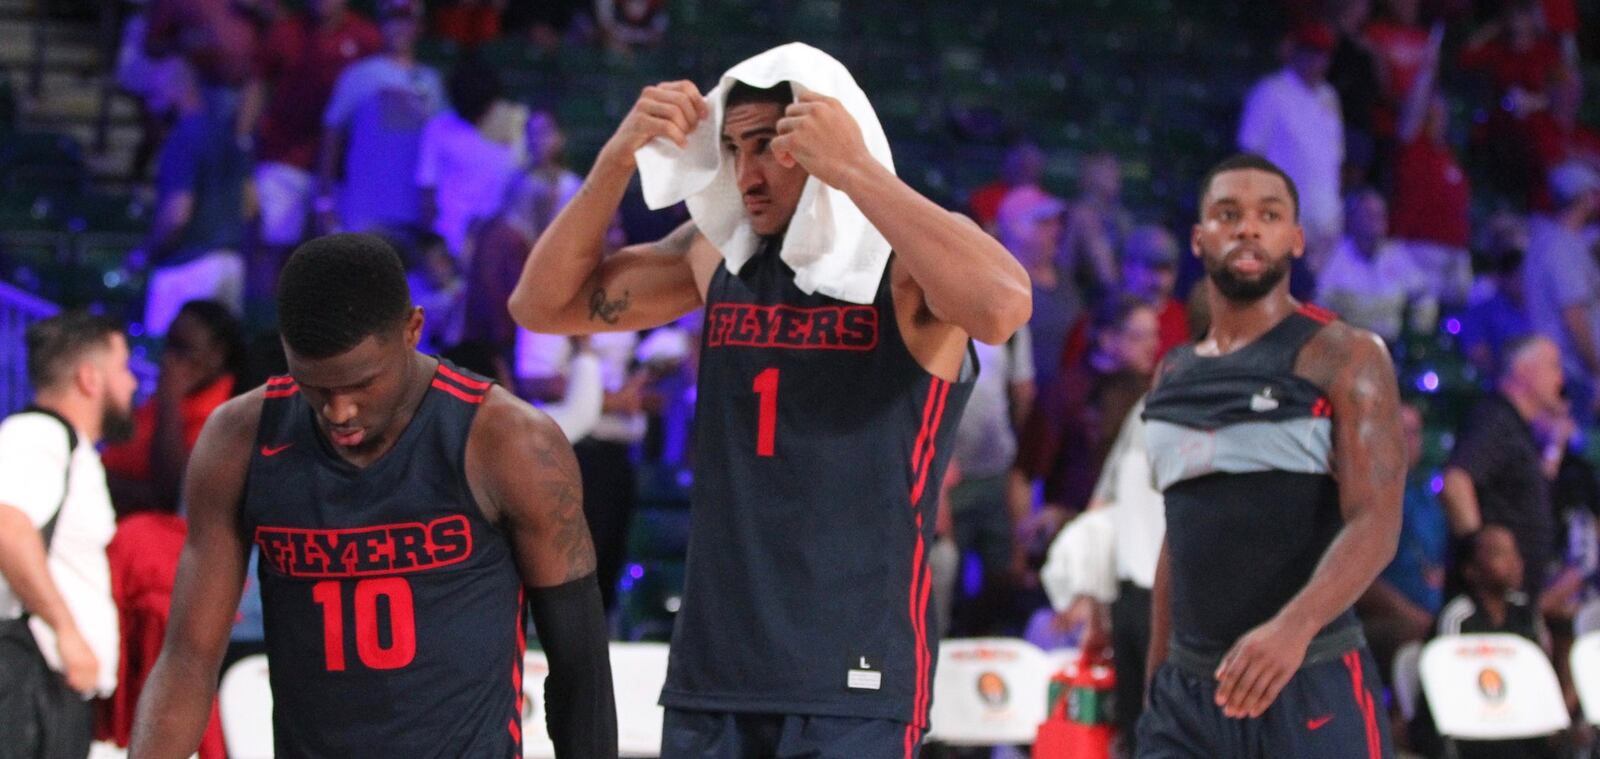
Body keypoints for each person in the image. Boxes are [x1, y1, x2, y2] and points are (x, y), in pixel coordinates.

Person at [508, 71, 1031, 755]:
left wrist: (855, 168)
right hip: (714, 669)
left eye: (769, 147)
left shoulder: (906, 268)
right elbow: (540, 305)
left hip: (854, 676)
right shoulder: (715, 254)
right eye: (732, 150)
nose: (747, 174)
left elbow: (1002, 306)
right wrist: (615, 161)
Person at [128, 234, 617, 758]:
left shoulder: (509, 443)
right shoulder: (238, 440)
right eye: (315, 385)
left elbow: (579, 669)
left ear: (413, 330)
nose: (339, 411)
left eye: (362, 383)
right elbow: (187, 661)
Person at [1137, 154, 1403, 757]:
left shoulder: (1347, 356)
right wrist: (1158, 682)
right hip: (1189, 695)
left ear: (1297, 239)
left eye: (1269, 215)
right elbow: (1178, 537)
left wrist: (1294, 628)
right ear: (1199, 238)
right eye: (1227, 214)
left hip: (1307, 674)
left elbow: (1377, 522)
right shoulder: (1171, 374)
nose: (1248, 228)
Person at [0, 312, 138, 759]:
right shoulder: (36, 434)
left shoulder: (63, 445)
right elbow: (7, 526)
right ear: (89, 378)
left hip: (43, 685)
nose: (133, 384)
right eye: (123, 369)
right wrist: (66, 632)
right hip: (25, 680)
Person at [242, 0, 381, 252]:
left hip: (340, 166)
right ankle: (267, 293)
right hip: (283, 156)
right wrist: (242, 144)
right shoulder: (285, 31)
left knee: (332, 255)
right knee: (273, 246)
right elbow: (257, 86)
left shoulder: (366, 37)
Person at [1441, 336, 1569, 598]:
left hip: (1516, 601)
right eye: (1554, 366)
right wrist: (1481, 559)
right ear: (1523, 370)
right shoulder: (1495, 419)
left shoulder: (1517, 428)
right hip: (1487, 605)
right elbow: (1455, 484)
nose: (1561, 380)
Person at [318, 0, 446, 235]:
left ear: (419, 26)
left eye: (406, 20)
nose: (398, 27)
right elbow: (331, 134)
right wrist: (325, 200)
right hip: (363, 208)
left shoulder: (431, 81)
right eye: (391, 19)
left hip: (413, 209)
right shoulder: (359, 74)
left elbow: (439, 144)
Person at [103, 300, 244, 515]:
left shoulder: (226, 413)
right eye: (168, 345)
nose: (169, 358)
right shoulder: (173, 395)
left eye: (183, 348)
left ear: (218, 354)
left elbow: (171, 494)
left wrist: (170, 401)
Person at [1238, 24, 1345, 271]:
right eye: (1311, 52)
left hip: (1325, 223)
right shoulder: (1270, 92)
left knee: (1315, 304)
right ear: (1294, 52)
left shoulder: (1329, 97)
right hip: (1282, 219)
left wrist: (1336, 216)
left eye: (1323, 54)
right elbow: (1250, 157)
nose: (1317, 60)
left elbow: (1334, 161)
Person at [1355, 403, 1448, 676]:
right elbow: (1361, 581)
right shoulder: (1364, 497)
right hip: (1384, 618)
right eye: (1400, 432)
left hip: (1433, 614)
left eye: (1414, 433)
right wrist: (1412, 616)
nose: (1408, 442)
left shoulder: (1428, 498)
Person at [1312, 188, 1434, 345]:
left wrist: (1417, 334)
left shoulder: (1397, 255)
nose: (1376, 221)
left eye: (1380, 215)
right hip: (1348, 347)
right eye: (1369, 215)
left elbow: (1424, 295)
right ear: (1353, 219)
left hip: (1392, 347)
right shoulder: (1335, 256)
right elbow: (1319, 304)